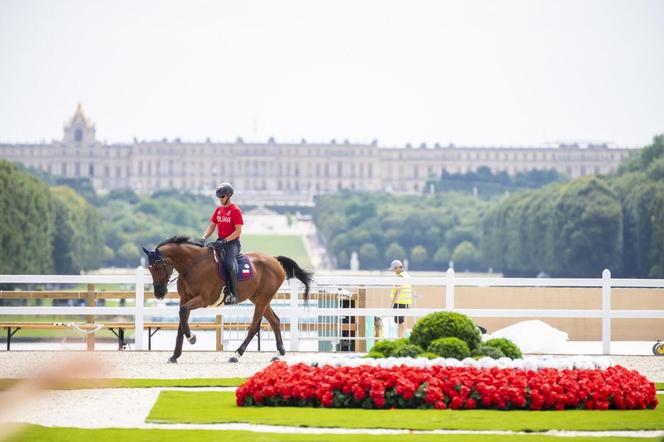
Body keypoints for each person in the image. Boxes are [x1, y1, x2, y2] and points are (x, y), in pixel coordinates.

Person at [201, 182, 243, 305]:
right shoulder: (218, 210)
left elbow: (238, 231)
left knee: (229, 264)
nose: (220, 199)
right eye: (219, 197)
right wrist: (203, 237)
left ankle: (233, 294)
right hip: (220, 242)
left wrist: (225, 240)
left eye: (222, 197)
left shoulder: (235, 210)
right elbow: (211, 227)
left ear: (229, 196)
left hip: (232, 243)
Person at [389, 259, 412, 337]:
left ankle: (400, 337)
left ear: (398, 268)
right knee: (401, 321)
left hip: (400, 301)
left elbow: (398, 290)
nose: (394, 271)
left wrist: (392, 302)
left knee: (399, 321)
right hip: (406, 301)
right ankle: (401, 336)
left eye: (394, 269)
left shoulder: (400, 276)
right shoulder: (406, 275)